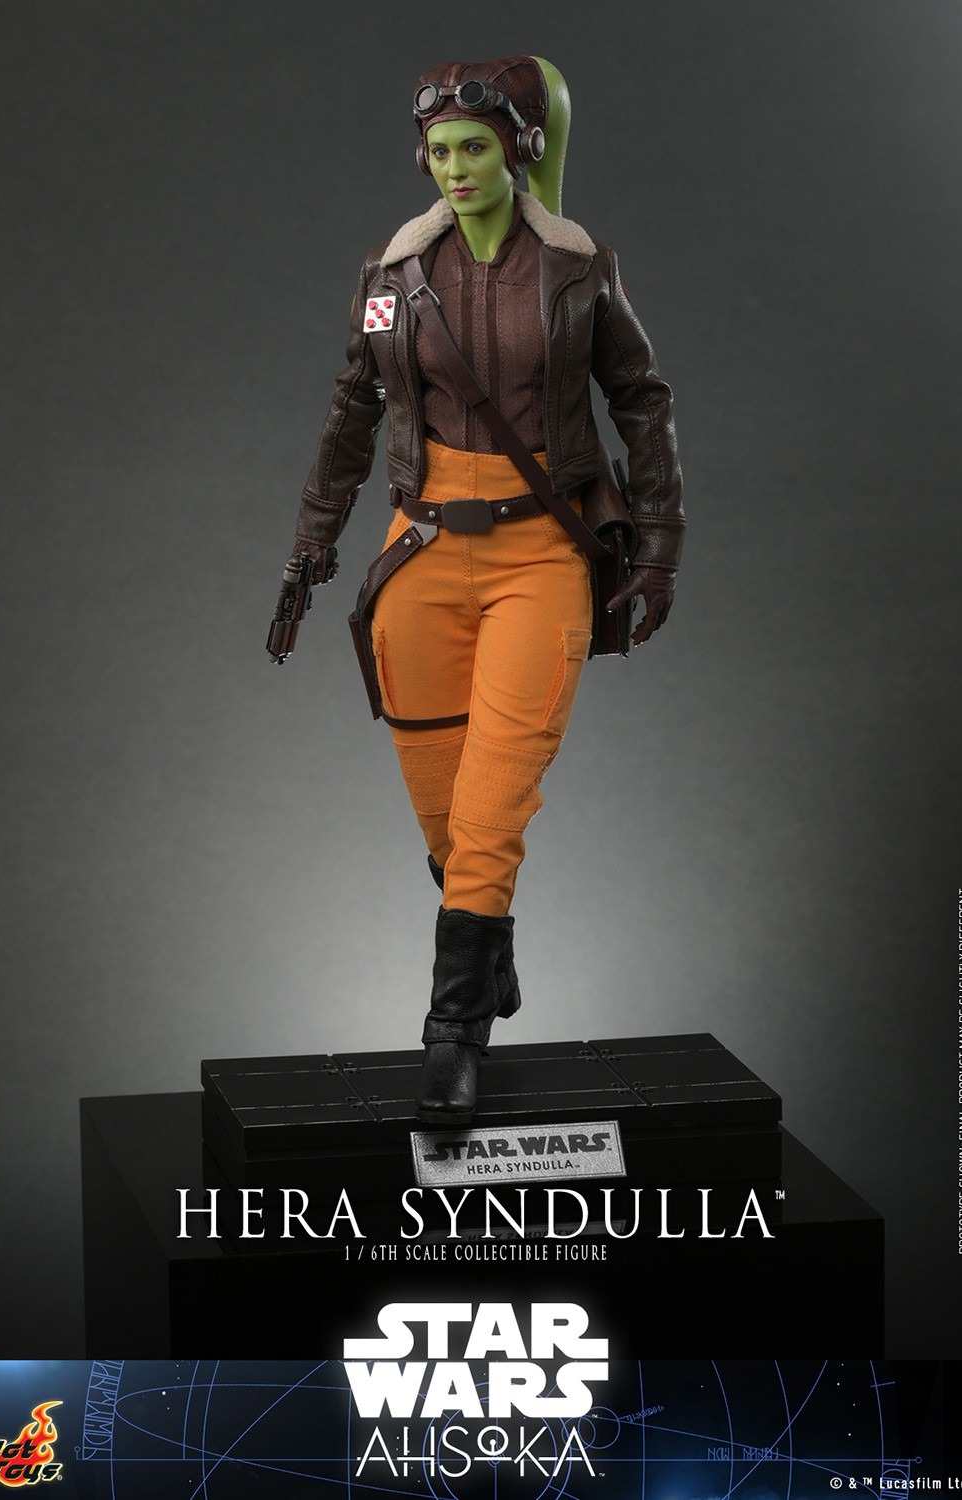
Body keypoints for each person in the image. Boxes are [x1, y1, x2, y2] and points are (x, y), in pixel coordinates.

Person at [283, 56, 684, 1125]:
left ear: (520, 151)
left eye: (476, 147)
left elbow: (642, 400)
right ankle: (488, 937)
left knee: (494, 799)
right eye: (441, 151)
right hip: (419, 546)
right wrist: (314, 538)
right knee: (441, 804)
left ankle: (452, 1031)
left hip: (540, 550)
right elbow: (352, 407)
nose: (457, 168)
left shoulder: (581, 269)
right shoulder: (390, 275)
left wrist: (659, 546)